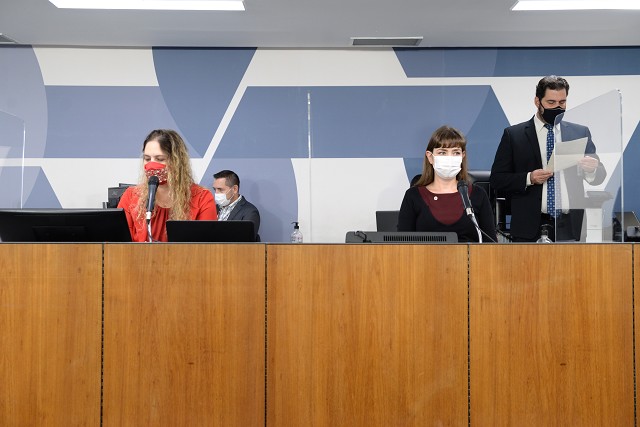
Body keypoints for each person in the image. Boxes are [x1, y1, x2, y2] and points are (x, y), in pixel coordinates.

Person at [490, 75, 606, 242]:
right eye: (551, 102)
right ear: (537, 101)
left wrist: (591, 170)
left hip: (570, 226)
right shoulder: (514, 135)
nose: (557, 107)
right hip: (529, 226)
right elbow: (497, 179)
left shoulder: (580, 132)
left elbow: (599, 176)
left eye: (562, 102)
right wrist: (529, 178)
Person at [398, 125, 497, 243]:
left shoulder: (478, 195)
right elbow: (402, 245)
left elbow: (491, 245)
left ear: (462, 156)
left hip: (469, 255)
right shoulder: (413, 196)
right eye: (442, 152)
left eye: (455, 153)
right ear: (430, 157)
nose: (449, 158)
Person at [118, 129, 217, 242]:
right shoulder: (131, 196)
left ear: (177, 162)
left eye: (160, 159)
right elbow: (118, 243)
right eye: (147, 159)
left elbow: (206, 247)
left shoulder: (202, 198)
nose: (151, 165)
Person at [213, 169, 261, 241]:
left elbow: (245, 241)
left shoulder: (250, 212)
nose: (216, 193)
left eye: (220, 189)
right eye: (215, 189)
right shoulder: (213, 209)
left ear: (235, 189)